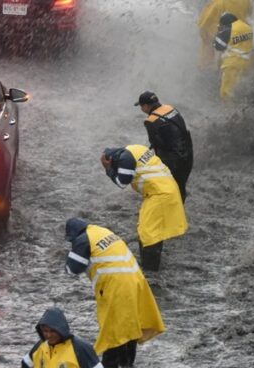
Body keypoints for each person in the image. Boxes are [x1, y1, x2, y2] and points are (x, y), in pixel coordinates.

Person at [64, 217, 165, 368]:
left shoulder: (83, 239)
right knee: (130, 328)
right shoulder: (102, 231)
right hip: (136, 282)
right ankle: (128, 364)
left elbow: (72, 269)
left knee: (113, 334)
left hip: (117, 288)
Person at [101, 145, 188, 271]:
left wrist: (108, 169)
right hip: (164, 189)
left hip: (160, 194)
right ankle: (150, 265)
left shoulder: (125, 160)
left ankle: (150, 270)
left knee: (148, 234)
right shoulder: (134, 148)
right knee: (149, 230)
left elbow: (122, 182)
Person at [134, 91, 194, 200]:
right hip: (188, 153)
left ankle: (174, 212)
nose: (141, 110)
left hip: (174, 161)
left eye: (141, 106)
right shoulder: (171, 108)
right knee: (181, 187)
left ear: (146, 106)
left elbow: (157, 144)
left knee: (170, 190)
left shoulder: (151, 121)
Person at [197, 0, 252, 70]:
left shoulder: (217, 2)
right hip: (244, 35)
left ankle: (210, 69)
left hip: (228, 37)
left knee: (217, 49)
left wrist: (206, 38)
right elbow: (250, 13)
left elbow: (203, 23)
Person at [21, 307, 101, 368]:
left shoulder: (81, 348)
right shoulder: (39, 346)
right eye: (45, 331)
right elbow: (25, 364)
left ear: (61, 329)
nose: (49, 335)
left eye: (53, 331)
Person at [213, 12, 254, 102]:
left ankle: (230, 113)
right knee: (241, 91)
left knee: (226, 93)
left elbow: (218, 46)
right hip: (247, 63)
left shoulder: (228, 30)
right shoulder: (248, 27)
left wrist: (219, 32)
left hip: (232, 64)